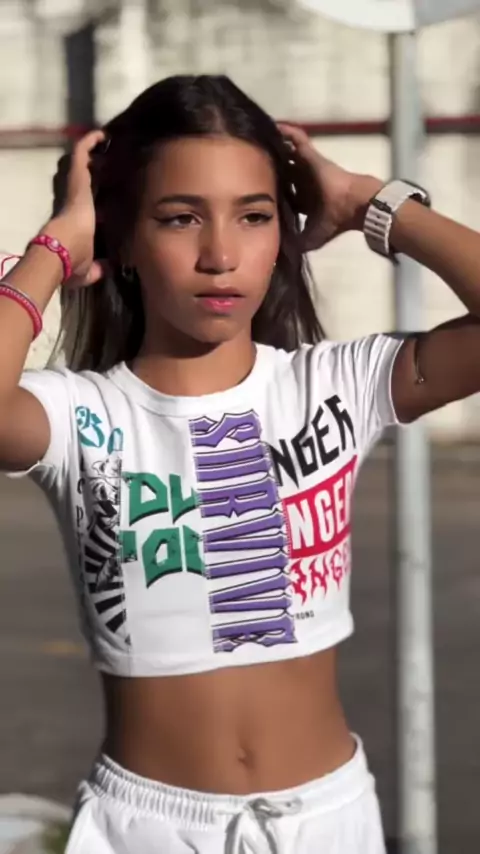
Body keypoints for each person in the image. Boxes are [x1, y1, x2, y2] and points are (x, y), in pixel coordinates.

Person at [0, 74, 479, 854]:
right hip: (146, 828)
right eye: (180, 218)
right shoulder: (82, 416)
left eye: (254, 216)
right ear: (123, 240)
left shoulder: (334, 386)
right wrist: (57, 245)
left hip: (331, 822)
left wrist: (367, 203)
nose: (221, 255)